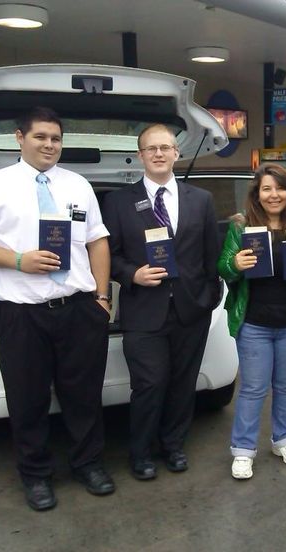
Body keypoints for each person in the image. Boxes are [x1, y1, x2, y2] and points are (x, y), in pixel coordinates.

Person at [0, 107, 114, 511]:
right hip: (22, 313)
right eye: (41, 137)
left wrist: (101, 297)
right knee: (27, 399)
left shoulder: (78, 185)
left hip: (79, 309)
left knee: (83, 396)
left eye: (56, 139)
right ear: (19, 138)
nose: (49, 145)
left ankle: (88, 463)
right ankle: (36, 475)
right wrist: (18, 260)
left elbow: (97, 240)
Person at [102, 123, 220, 481]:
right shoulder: (118, 201)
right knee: (150, 384)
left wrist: (209, 299)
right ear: (140, 156)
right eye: (151, 148)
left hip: (190, 309)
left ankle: (173, 446)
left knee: (183, 383)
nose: (158, 153)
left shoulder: (201, 199)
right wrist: (132, 274)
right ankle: (141, 453)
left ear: (176, 153)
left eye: (165, 147)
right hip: (143, 310)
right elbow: (110, 255)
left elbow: (210, 255)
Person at [218, 164, 286, 480]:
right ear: (257, 193)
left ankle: (284, 440)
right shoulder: (241, 226)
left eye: (279, 188)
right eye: (266, 188)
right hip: (254, 322)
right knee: (253, 388)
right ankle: (243, 450)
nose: (273, 195)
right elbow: (224, 268)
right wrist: (235, 263)